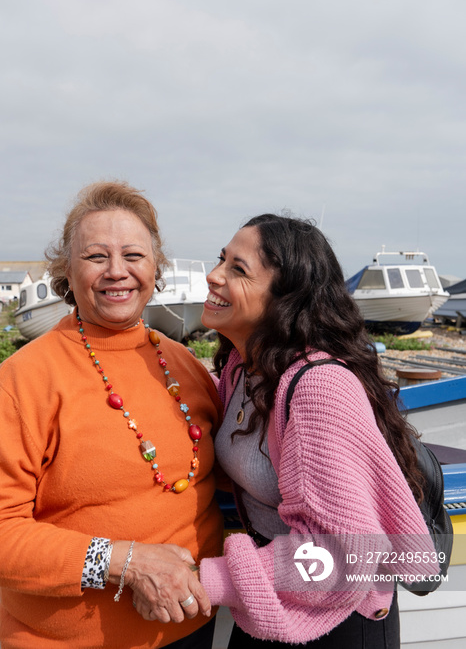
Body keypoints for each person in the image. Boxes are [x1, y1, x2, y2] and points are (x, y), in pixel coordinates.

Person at [0, 181, 224, 649]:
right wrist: (125, 562)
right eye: (96, 256)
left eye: (134, 256)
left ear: (156, 266)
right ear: (66, 271)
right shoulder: (22, 379)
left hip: (193, 630)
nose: (116, 272)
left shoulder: (183, 363)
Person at [199, 213, 439, 648]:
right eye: (220, 260)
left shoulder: (317, 388)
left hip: (341, 616)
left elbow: (344, 556)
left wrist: (208, 580)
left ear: (285, 298)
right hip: (276, 592)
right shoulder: (241, 369)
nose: (213, 276)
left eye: (238, 269)